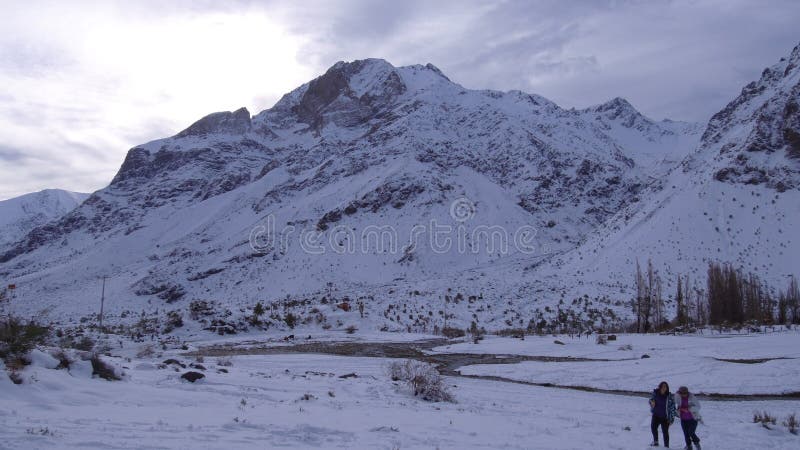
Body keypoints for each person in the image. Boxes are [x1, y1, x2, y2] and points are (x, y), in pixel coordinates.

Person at [649, 381, 676, 447]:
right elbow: (650, 400)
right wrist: (651, 402)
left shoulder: (669, 396)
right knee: (653, 427)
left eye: (665, 387)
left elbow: (673, 408)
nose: (664, 388)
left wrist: (671, 419)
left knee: (665, 432)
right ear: (660, 387)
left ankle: (666, 446)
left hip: (665, 417)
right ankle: (656, 441)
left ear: (667, 388)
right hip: (656, 415)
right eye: (663, 386)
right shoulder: (655, 393)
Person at [675, 386, 702, 450]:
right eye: (682, 393)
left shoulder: (692, 397)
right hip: (683, 419)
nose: (683, 395)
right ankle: (689, 446)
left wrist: (689, 409)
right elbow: (676, 404)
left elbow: (698, 407)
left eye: (685, 393)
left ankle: (697, 444)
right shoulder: (677, 396)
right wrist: (678, 409)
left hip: (693, 419)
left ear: (687, 392)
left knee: (691, 432)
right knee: (686, 433)